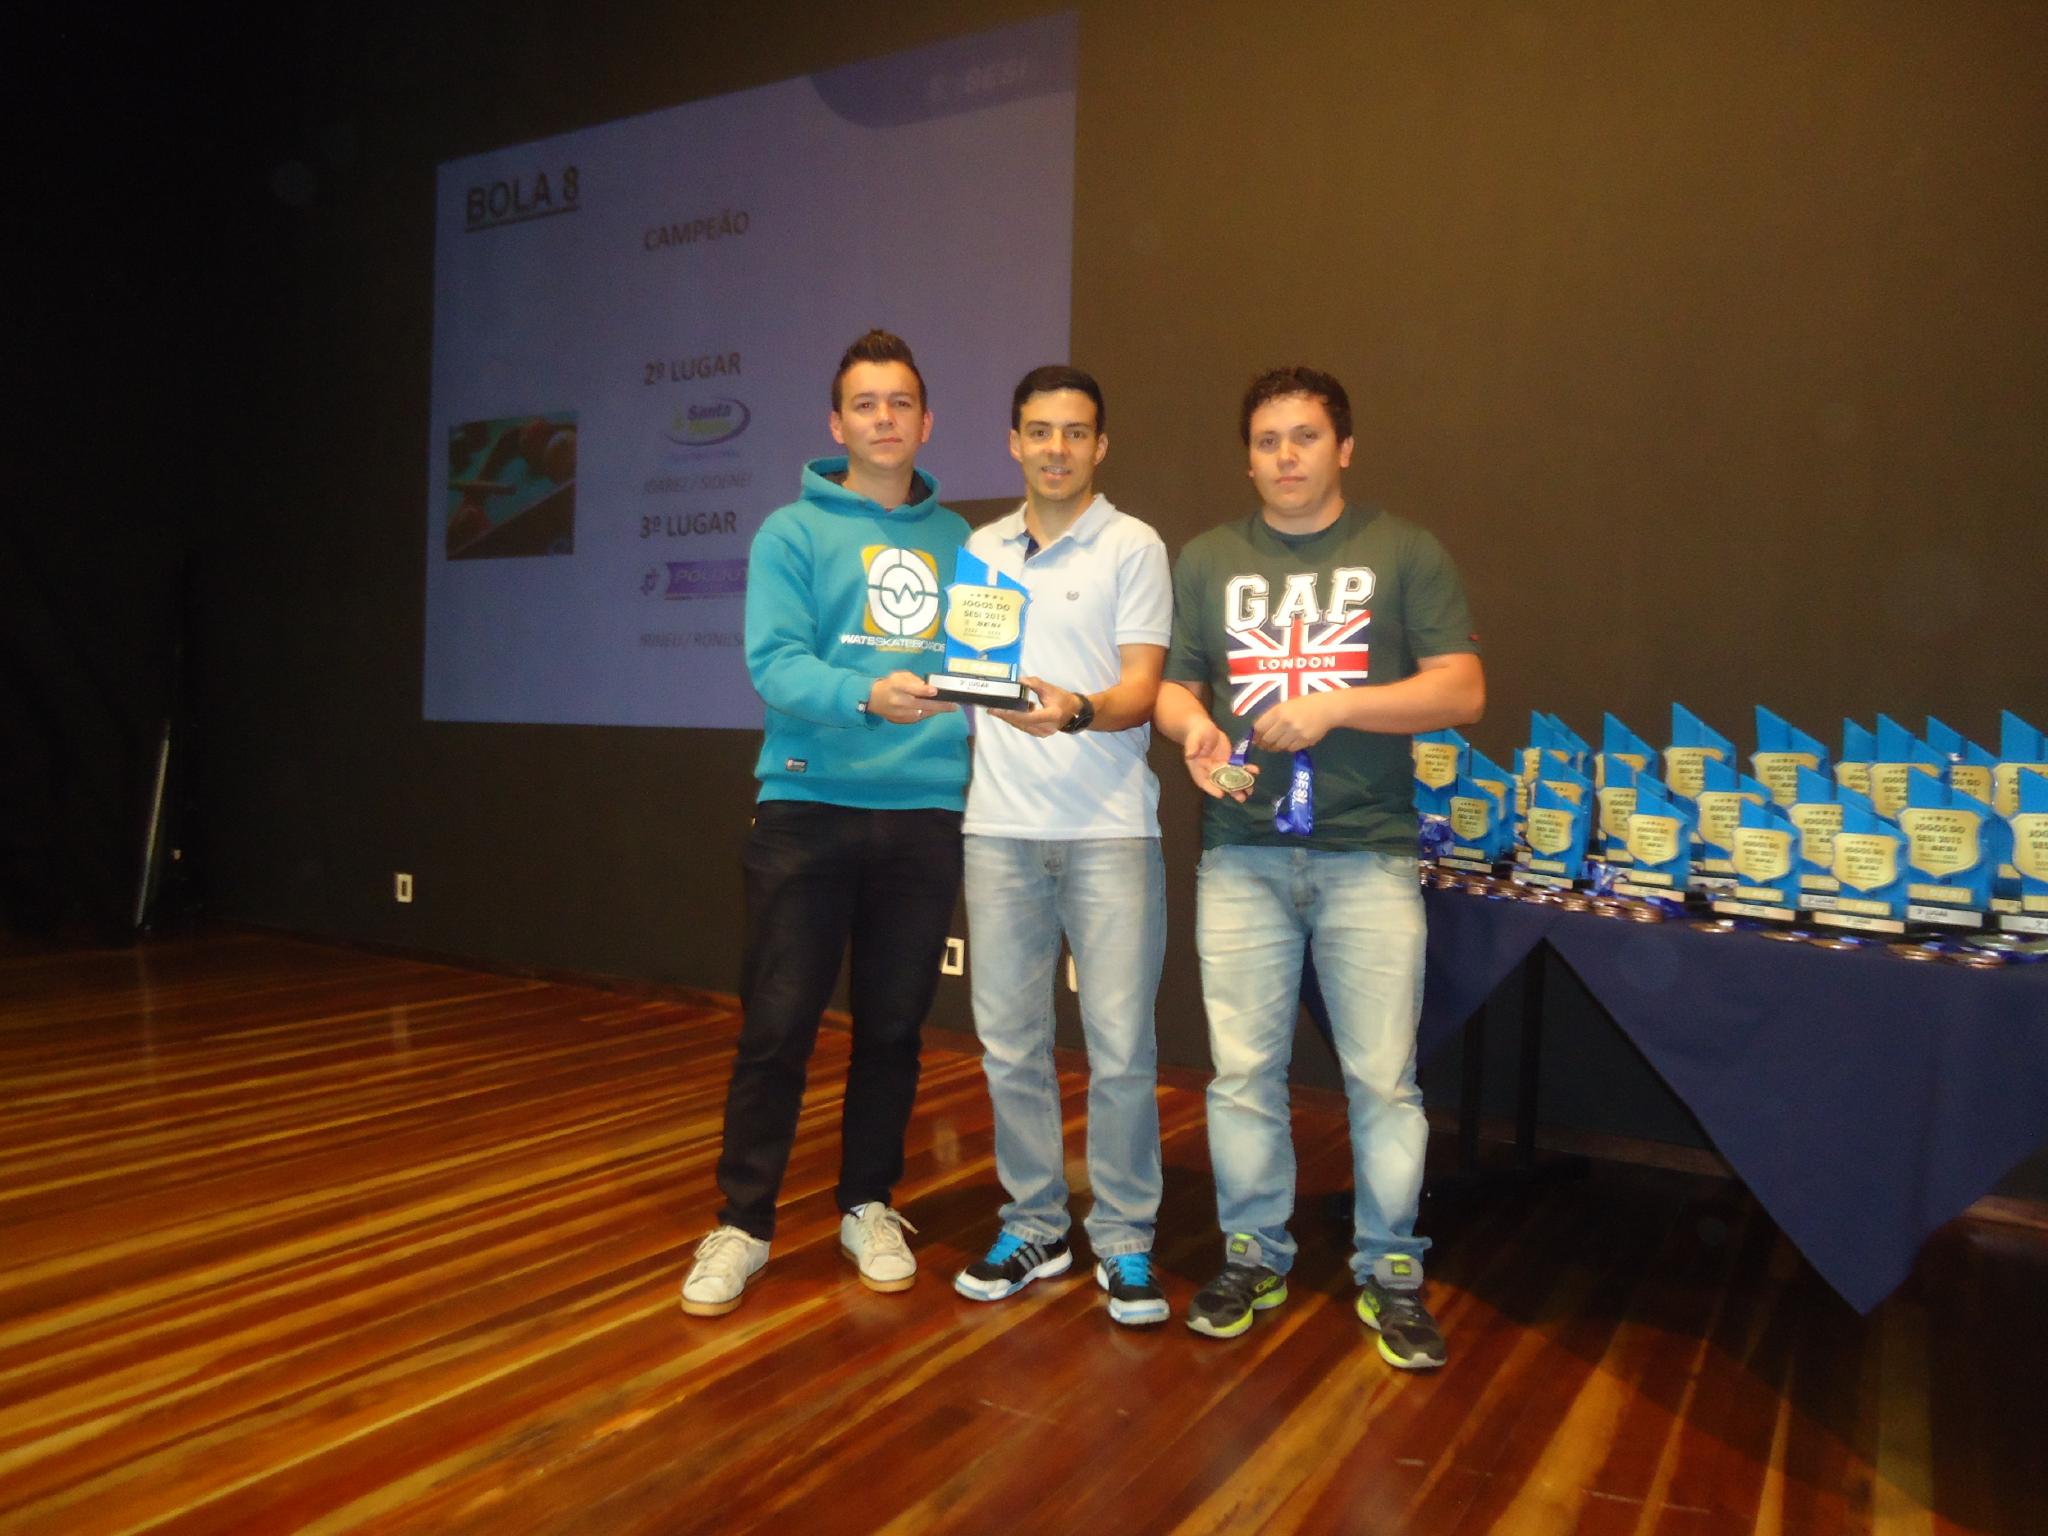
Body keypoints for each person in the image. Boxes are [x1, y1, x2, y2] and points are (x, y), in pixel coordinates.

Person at [1154, 365, 1485, 1367]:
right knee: (1242, 1076)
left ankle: (1391, 1271)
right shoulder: (1208, 559)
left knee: (1382, 1082)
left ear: (1343, 449)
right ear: (1247, 457)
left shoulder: (1404, 550)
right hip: (1240, 855)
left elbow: (1461, 689)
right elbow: (1174, 687)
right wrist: (1193, 730)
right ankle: (1252, 1255)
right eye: (1266, 441)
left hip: (1367, 854)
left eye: (1304, 437)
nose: (1284, 456)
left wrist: (1337, 706)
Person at [681, 330, 969, 1317]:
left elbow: (985, 665)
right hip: (805, 809)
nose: (884, 418)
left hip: (923, 813)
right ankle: (743, 1222)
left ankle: (867, 1205)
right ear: (835, 423)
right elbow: (774, 663)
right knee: (776, 1029)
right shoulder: (789, 533)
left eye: (900, 402)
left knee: (892, 1030)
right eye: (865, 403)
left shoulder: (964, 544)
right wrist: (864, 694)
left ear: (926, 421)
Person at [949, 366, 1173, 1326]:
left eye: (1075, 432)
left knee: (1120, 1050)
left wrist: (1077, 710)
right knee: (1010, 1047)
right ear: (1014, 442)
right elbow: (971, 673)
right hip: (999, 830)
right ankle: (1035, 1225)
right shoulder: (979, 549)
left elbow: (1142, 690)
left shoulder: (1134, 545)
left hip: (1109, 831)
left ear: (1100, 446)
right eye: (1039, 431)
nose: (1056, 448)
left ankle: (1123, 1239)